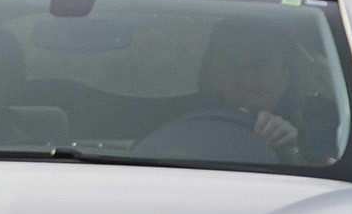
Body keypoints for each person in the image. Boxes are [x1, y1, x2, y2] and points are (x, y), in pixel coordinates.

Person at [133, 17, 337, 164]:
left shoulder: (328, 131)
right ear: (214, 75)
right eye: (233, 65)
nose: (247, 80)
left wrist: (291, 149)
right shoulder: (173, 129)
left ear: (286, 77)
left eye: (261, 65)